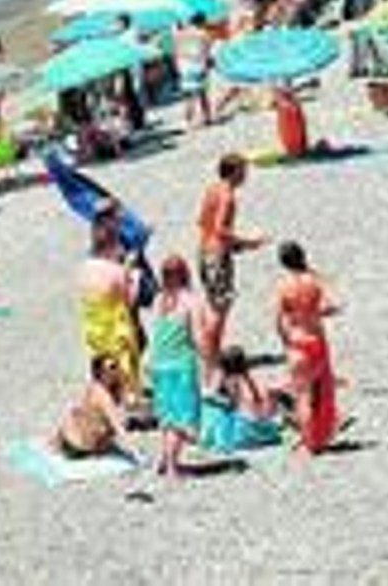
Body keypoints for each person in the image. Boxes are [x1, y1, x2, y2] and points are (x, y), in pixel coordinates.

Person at [195, 153, 266, 384]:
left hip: (204, 253)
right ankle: (213, 362)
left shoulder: (212, 189)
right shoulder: (228, 196)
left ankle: (211, 356)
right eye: (244, 170)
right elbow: (221, 229)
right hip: (217, 257)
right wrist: (249, 242)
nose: (246, 175)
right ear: (234, 172)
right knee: (219, 311)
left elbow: (202, 222)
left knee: (212, 306)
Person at [275, 241, 340, 456]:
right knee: (321, 390)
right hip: (316, 338)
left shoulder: (284, 287)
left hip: (297, 340)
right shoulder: (314, 282)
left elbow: (279, 319)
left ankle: (308, 442)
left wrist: (285, 341)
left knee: (302, 395)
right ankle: (321, 436)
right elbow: (332, 305)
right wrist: (314, 313)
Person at [146, 256, 204, 475]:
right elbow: (197, 336)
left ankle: (164, 459)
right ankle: (172, 466)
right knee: (181, 416)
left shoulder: (159, 299)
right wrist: (208, 360)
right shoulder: (191, 301)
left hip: (158, 363)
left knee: (167, 415)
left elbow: (157, 333)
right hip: (181, 364)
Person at [78, 211, 141, 396]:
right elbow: (130, 298)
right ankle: (128, 397)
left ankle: (104, 393)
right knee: (123, 363)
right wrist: (130, 271)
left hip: (94, 324)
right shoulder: (114, 271)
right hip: (115, 325)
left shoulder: (85, 267)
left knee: (102, 361)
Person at [53, 355, 133, 460]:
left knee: (77, 414)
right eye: (112, 367)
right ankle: (61, 441)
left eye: (117, 365)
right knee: (77, 416)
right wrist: (133, 453)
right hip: (78, 446)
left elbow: (130, 404)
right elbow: (117, 425)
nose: (117, 369)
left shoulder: (103, 386)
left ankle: (58, 441)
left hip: (84, 438)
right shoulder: (102, 394)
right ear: (101, 373)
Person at [172, 17, 213, 129]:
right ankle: (207, 117)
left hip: (184, 65)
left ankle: (187, 120)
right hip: (198, 65)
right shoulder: (204, 34)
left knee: (188, 96)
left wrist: (177, 67)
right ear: (200, 22)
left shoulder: (180, 34)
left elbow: (176, 52)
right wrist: (207, 65)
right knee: (202, 94)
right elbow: (206, 51)